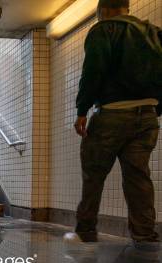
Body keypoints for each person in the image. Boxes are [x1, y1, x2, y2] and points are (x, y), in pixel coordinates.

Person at [66, 0, 162, 245]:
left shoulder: (104, 29)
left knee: (94, 174)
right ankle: (145, 236)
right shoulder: (154, 33)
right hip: (147, 116)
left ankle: (85, 232)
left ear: (102, 10)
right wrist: (154, 109)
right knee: (138, 177)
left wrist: (81, 110)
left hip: (112, 114)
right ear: (126, 8)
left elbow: (93, 71)